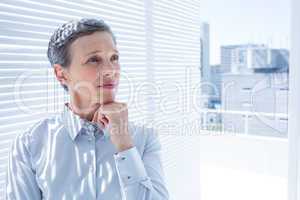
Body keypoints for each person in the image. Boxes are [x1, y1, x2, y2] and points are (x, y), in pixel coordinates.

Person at [6, 18, 169, 200]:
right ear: (61, 74)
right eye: (94, 60)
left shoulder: (144, 139)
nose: (110, 70)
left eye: (114, 58)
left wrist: (125, 146)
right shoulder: (30, 144)